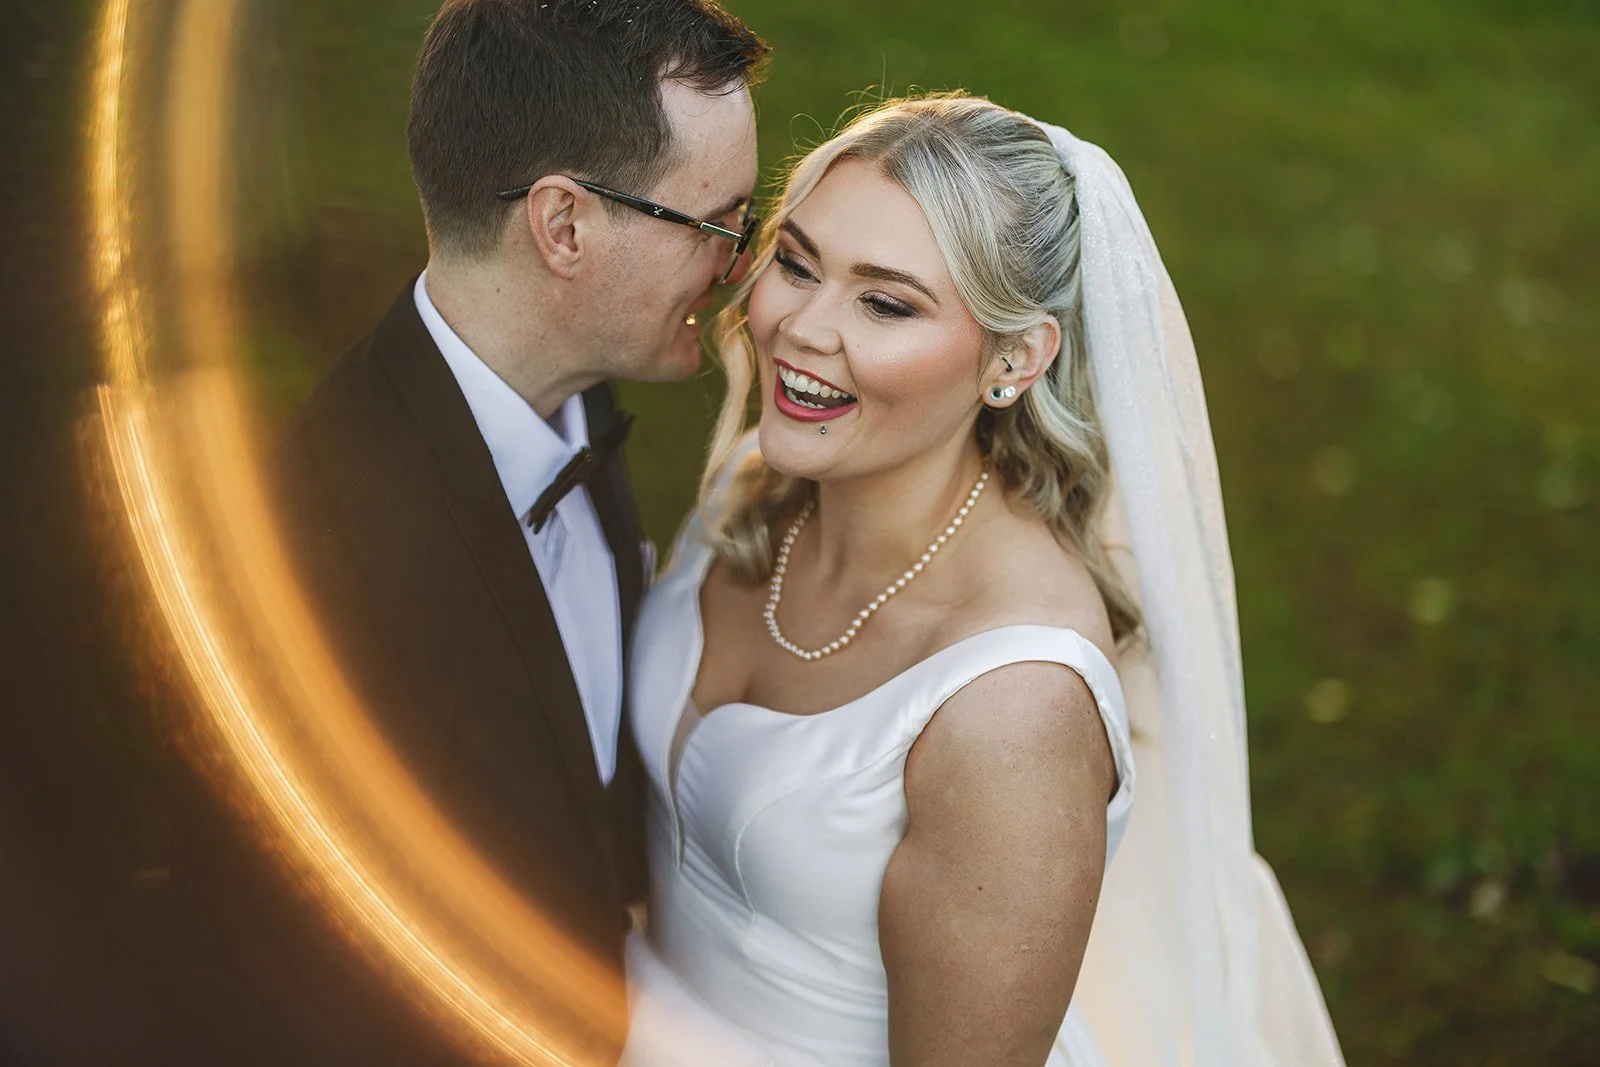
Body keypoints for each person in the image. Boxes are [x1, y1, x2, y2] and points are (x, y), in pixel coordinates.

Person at [620, 93, 1347, 1066]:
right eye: (796, 262)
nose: (800, 327)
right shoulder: (763, 482)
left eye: (884, 302)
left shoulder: (1014, 701)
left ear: (1014, 357)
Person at [161, 2, 768, 1064]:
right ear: (564, 224)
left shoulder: (570, 405)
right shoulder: (322, 563)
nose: (738, 268)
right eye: (716, 224)